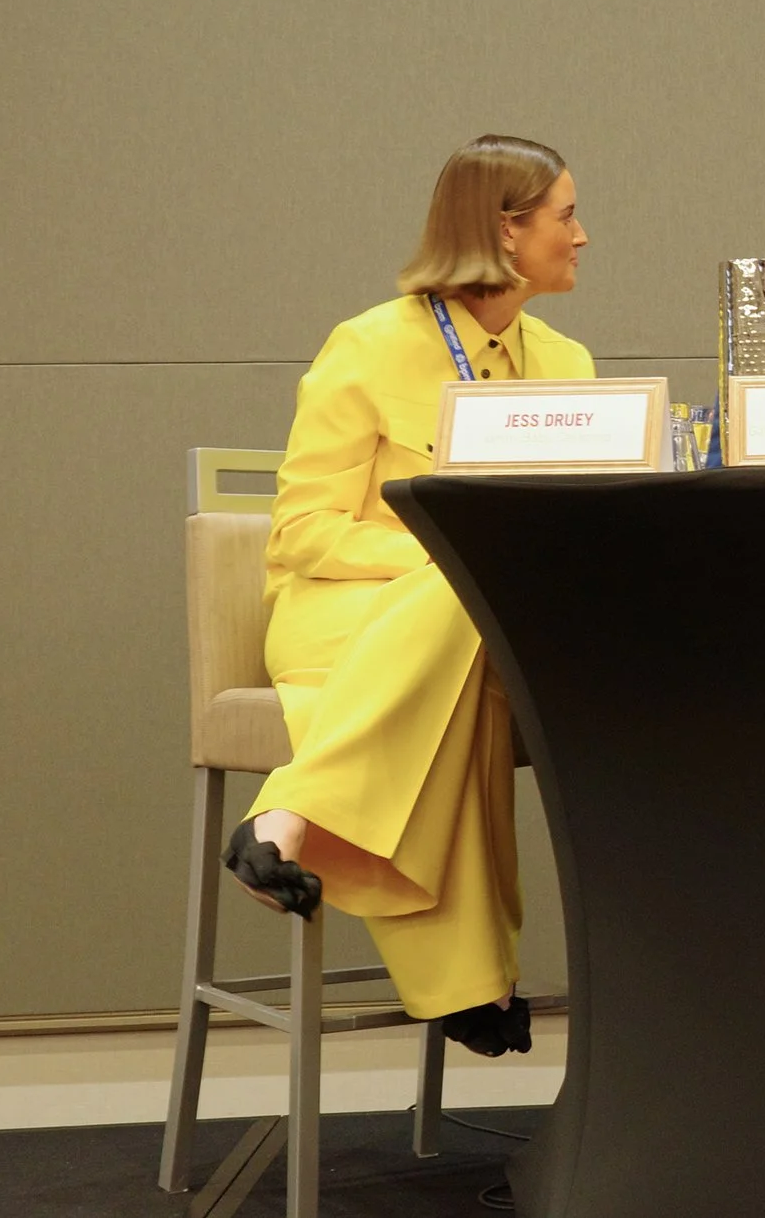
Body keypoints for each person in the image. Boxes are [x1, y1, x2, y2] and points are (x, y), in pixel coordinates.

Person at [229, 134, 593, 1057]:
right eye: (566, 216)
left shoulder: (572, 364)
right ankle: (466, 977)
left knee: (476, 622)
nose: (583, 235)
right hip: (348, 615)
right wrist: (450, 563)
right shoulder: (366, 346)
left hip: (487, 634)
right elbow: (303, 532)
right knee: (470, 591)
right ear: (506, 232)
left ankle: (292, 816)